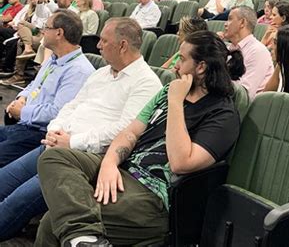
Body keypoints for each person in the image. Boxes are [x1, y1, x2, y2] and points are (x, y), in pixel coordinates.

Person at [35, 30, 245, 247]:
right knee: (53, 157)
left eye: (181, 59)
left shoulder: (222, 114)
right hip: (124, 169)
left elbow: (181, 162)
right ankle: (85, 238)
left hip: (153, 197)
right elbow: (130, 132)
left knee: (53, 222)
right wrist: (109, 163)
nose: (175, 65)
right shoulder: (166, 92)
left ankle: (83, 235)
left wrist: (175, 103)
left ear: (200, 67)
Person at [0, 17, 162, 241]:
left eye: (104, 41)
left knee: (13, 204)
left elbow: (124, 130)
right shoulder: (101, 73)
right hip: (55, 144)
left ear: (123, 45)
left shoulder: (146, 83)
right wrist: (55, 130)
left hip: (80, 159)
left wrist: (71, 142)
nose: (98, 45)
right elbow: (72, 105)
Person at [0, 10, 95, 167]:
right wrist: (21, 98)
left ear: (59, 33)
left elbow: (57, 113)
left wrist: (22, 112)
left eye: (46, 27)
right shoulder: (54, 59)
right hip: (24, 126)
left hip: (39, 134)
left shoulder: (78, 71)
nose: (42, 31)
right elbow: (34, 84)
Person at [224, 6, 274, 100]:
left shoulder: (258, 51)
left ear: (242, 23)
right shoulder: (229, 49)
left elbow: (244, 94)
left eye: (230, 19)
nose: (225, 24)